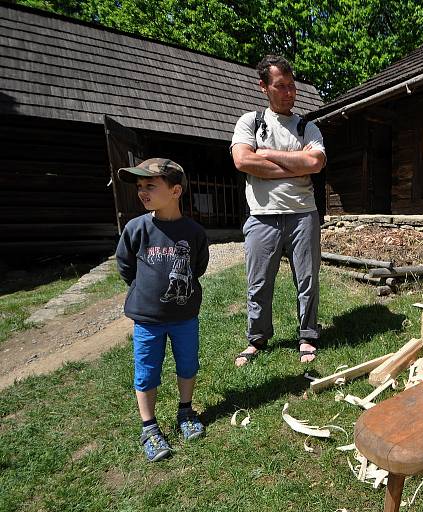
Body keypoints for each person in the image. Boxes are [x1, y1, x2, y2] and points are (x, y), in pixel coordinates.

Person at [230, 54, 326, 367]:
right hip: (261, 216)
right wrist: (294, 167)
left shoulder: (306, 127)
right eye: (280, 86)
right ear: (264, 87)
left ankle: (307, 335)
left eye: (291, 86)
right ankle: (257, 339)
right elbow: (243, 161)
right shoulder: (250, 122)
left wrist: (268, 156)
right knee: (258, 282)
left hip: (303, 214)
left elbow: (315, 163)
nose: (288, 92)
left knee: (307, 279)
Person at [116, 158, 210, 462]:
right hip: (147, 320)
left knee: (187, 364)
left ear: (175, 190)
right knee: (146, 372)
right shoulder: (136, 229)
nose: (142, 191)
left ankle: (185, 411)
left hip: (184, 317)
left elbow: (199, 267)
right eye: (140, 186)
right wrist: (146, 291)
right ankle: (150, 427)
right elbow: (126, 266)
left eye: (150, 185)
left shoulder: (194, 232)